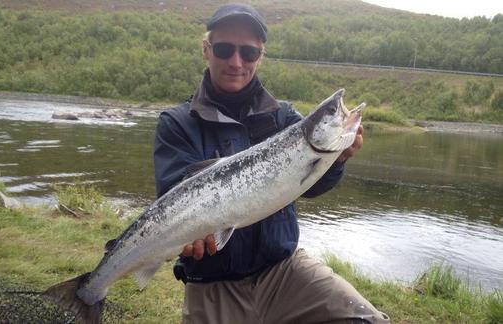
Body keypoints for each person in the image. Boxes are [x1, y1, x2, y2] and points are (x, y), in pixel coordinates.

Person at [154, 3, 390, 324]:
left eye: (249, 53)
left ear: (260, 57)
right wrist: (188, 236)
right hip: (213, 283)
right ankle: (89, 293)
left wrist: (337, 159)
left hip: (283, 271)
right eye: (224, 49)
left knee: (367, 320)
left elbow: (310, 187)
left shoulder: (285, 118)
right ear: (206, 50)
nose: (236, 62)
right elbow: (172, 198)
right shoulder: (178, 122)